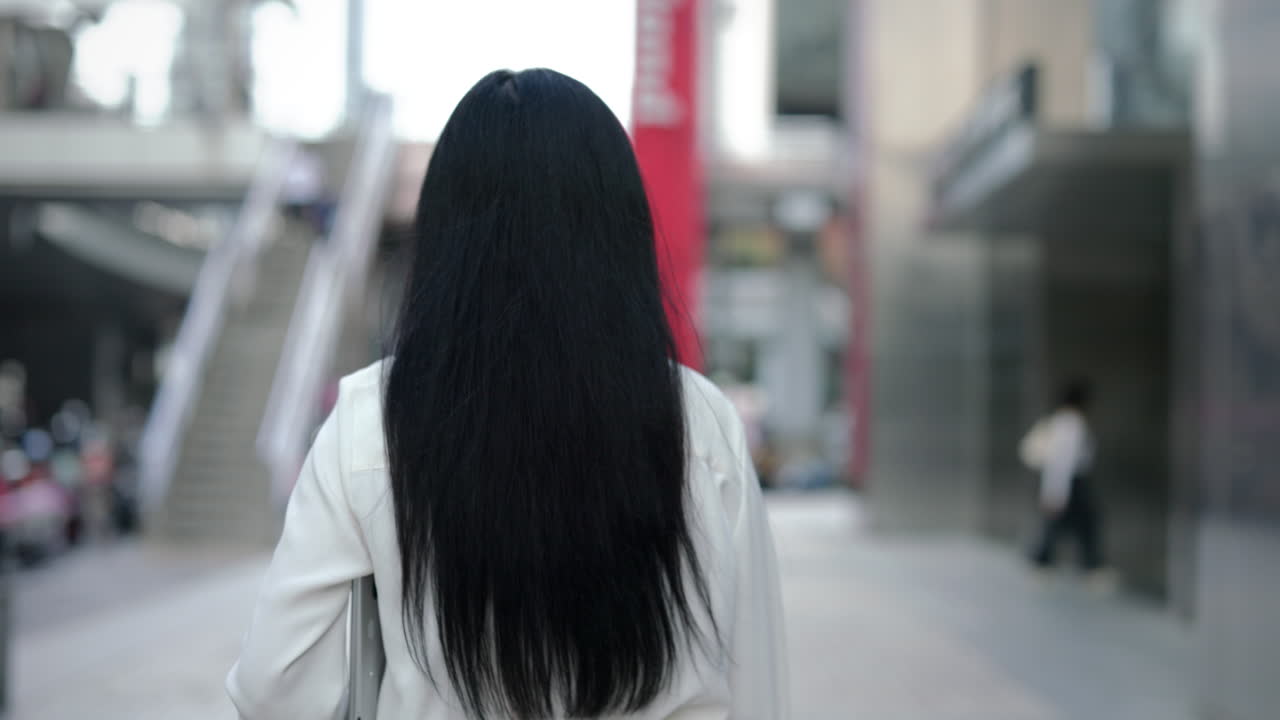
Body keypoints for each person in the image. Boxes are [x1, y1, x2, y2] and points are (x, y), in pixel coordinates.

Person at [227, 69, 789, 720]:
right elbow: (756, 678)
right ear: (620, 227)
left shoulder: (371, 420)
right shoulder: (702, 421)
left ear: (441, 234)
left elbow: (275, 689)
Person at [1021, 379, 1107, 576]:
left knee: (1071, 523)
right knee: (1081, 523)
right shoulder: (1070, 424)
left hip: (1068, 482)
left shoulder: (1062, 421)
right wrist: (1055, 492)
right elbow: (1061, 462)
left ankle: (1044, 560)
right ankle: (1088, 565)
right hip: (1072, 482)